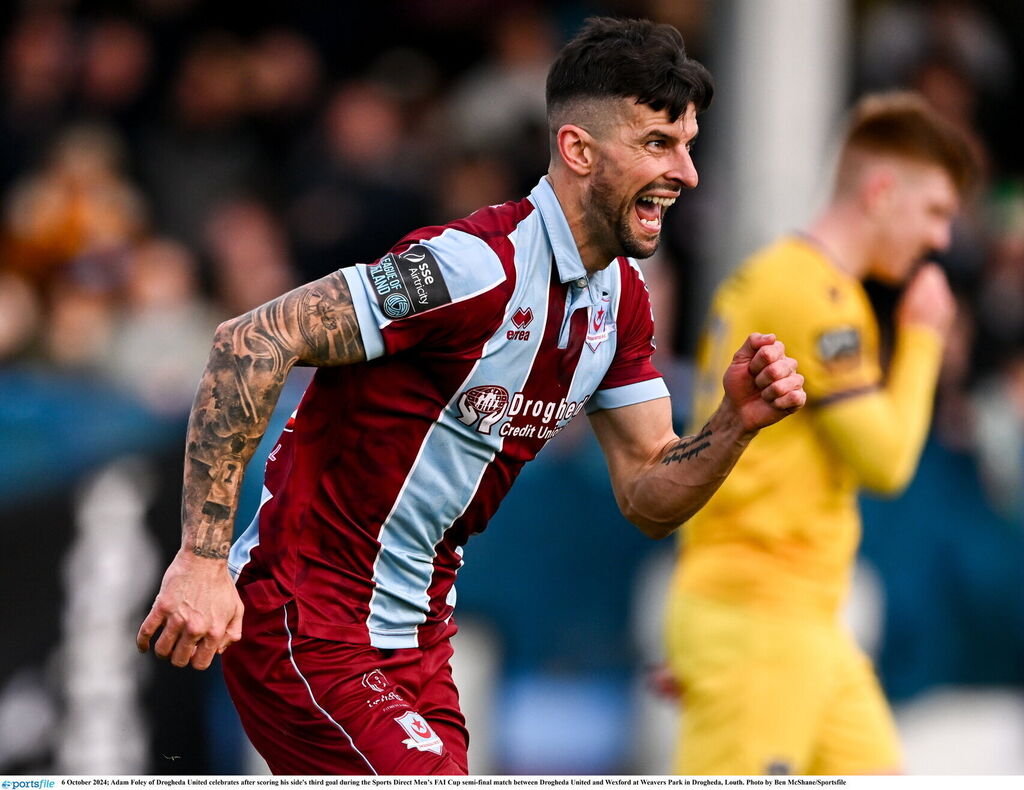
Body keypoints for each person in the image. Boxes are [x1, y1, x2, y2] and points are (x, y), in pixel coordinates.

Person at [135, 17, 807, 776]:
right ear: (578, 150)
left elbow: (648, 491)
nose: (686, 174)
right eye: (658, 144)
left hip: (419, 646)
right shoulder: (469, 267)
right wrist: (201, 560)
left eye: (688, 146)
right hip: (307, 619)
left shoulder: (623, 302)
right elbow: (251, 340)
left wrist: (733, 425)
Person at [664, 92, 976, 775]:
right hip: (761, 619)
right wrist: (924, 338)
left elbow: (707, 448)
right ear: (882, 191)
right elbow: (887, 462)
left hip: (791, 619)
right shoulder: (818, 297)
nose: (941, 240)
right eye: (936, 212)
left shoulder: (772, 275)